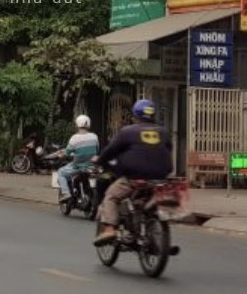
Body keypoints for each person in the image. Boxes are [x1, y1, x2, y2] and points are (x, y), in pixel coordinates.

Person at [93, 99, 172, 247]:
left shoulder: (127, 132)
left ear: (135, 116)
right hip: (160, 179)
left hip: (134, 178)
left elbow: (110, 151)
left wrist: (100, 161)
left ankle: (110, 230)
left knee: (111, 196)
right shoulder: (163, 132)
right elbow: (168, 149)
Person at [56, 115, 100, 201]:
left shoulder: (74, 138)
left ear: (77, 124)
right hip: (91, 166)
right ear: (88, 124)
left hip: (78, 167)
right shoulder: (94, 136)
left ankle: (66, 193)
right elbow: (97, 150)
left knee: (61, 172)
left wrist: (60, 155)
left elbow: (67, 153)